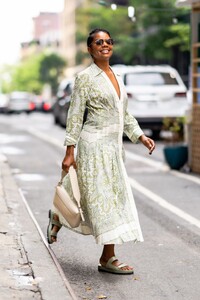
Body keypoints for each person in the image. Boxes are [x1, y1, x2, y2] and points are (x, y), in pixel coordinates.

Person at [47, 28, 155, 275]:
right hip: (93, 147)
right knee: (103, 201)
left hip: (114, 150)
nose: (105, 45)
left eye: (108, 41)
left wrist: (139, 135)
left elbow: (123, 113)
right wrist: (69, 151)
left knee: (104, 199)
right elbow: (75, 115)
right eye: (99, 42)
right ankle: (107, 256)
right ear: (90, 49)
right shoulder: (85, 77)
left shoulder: (116, 74)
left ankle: (59, 217)